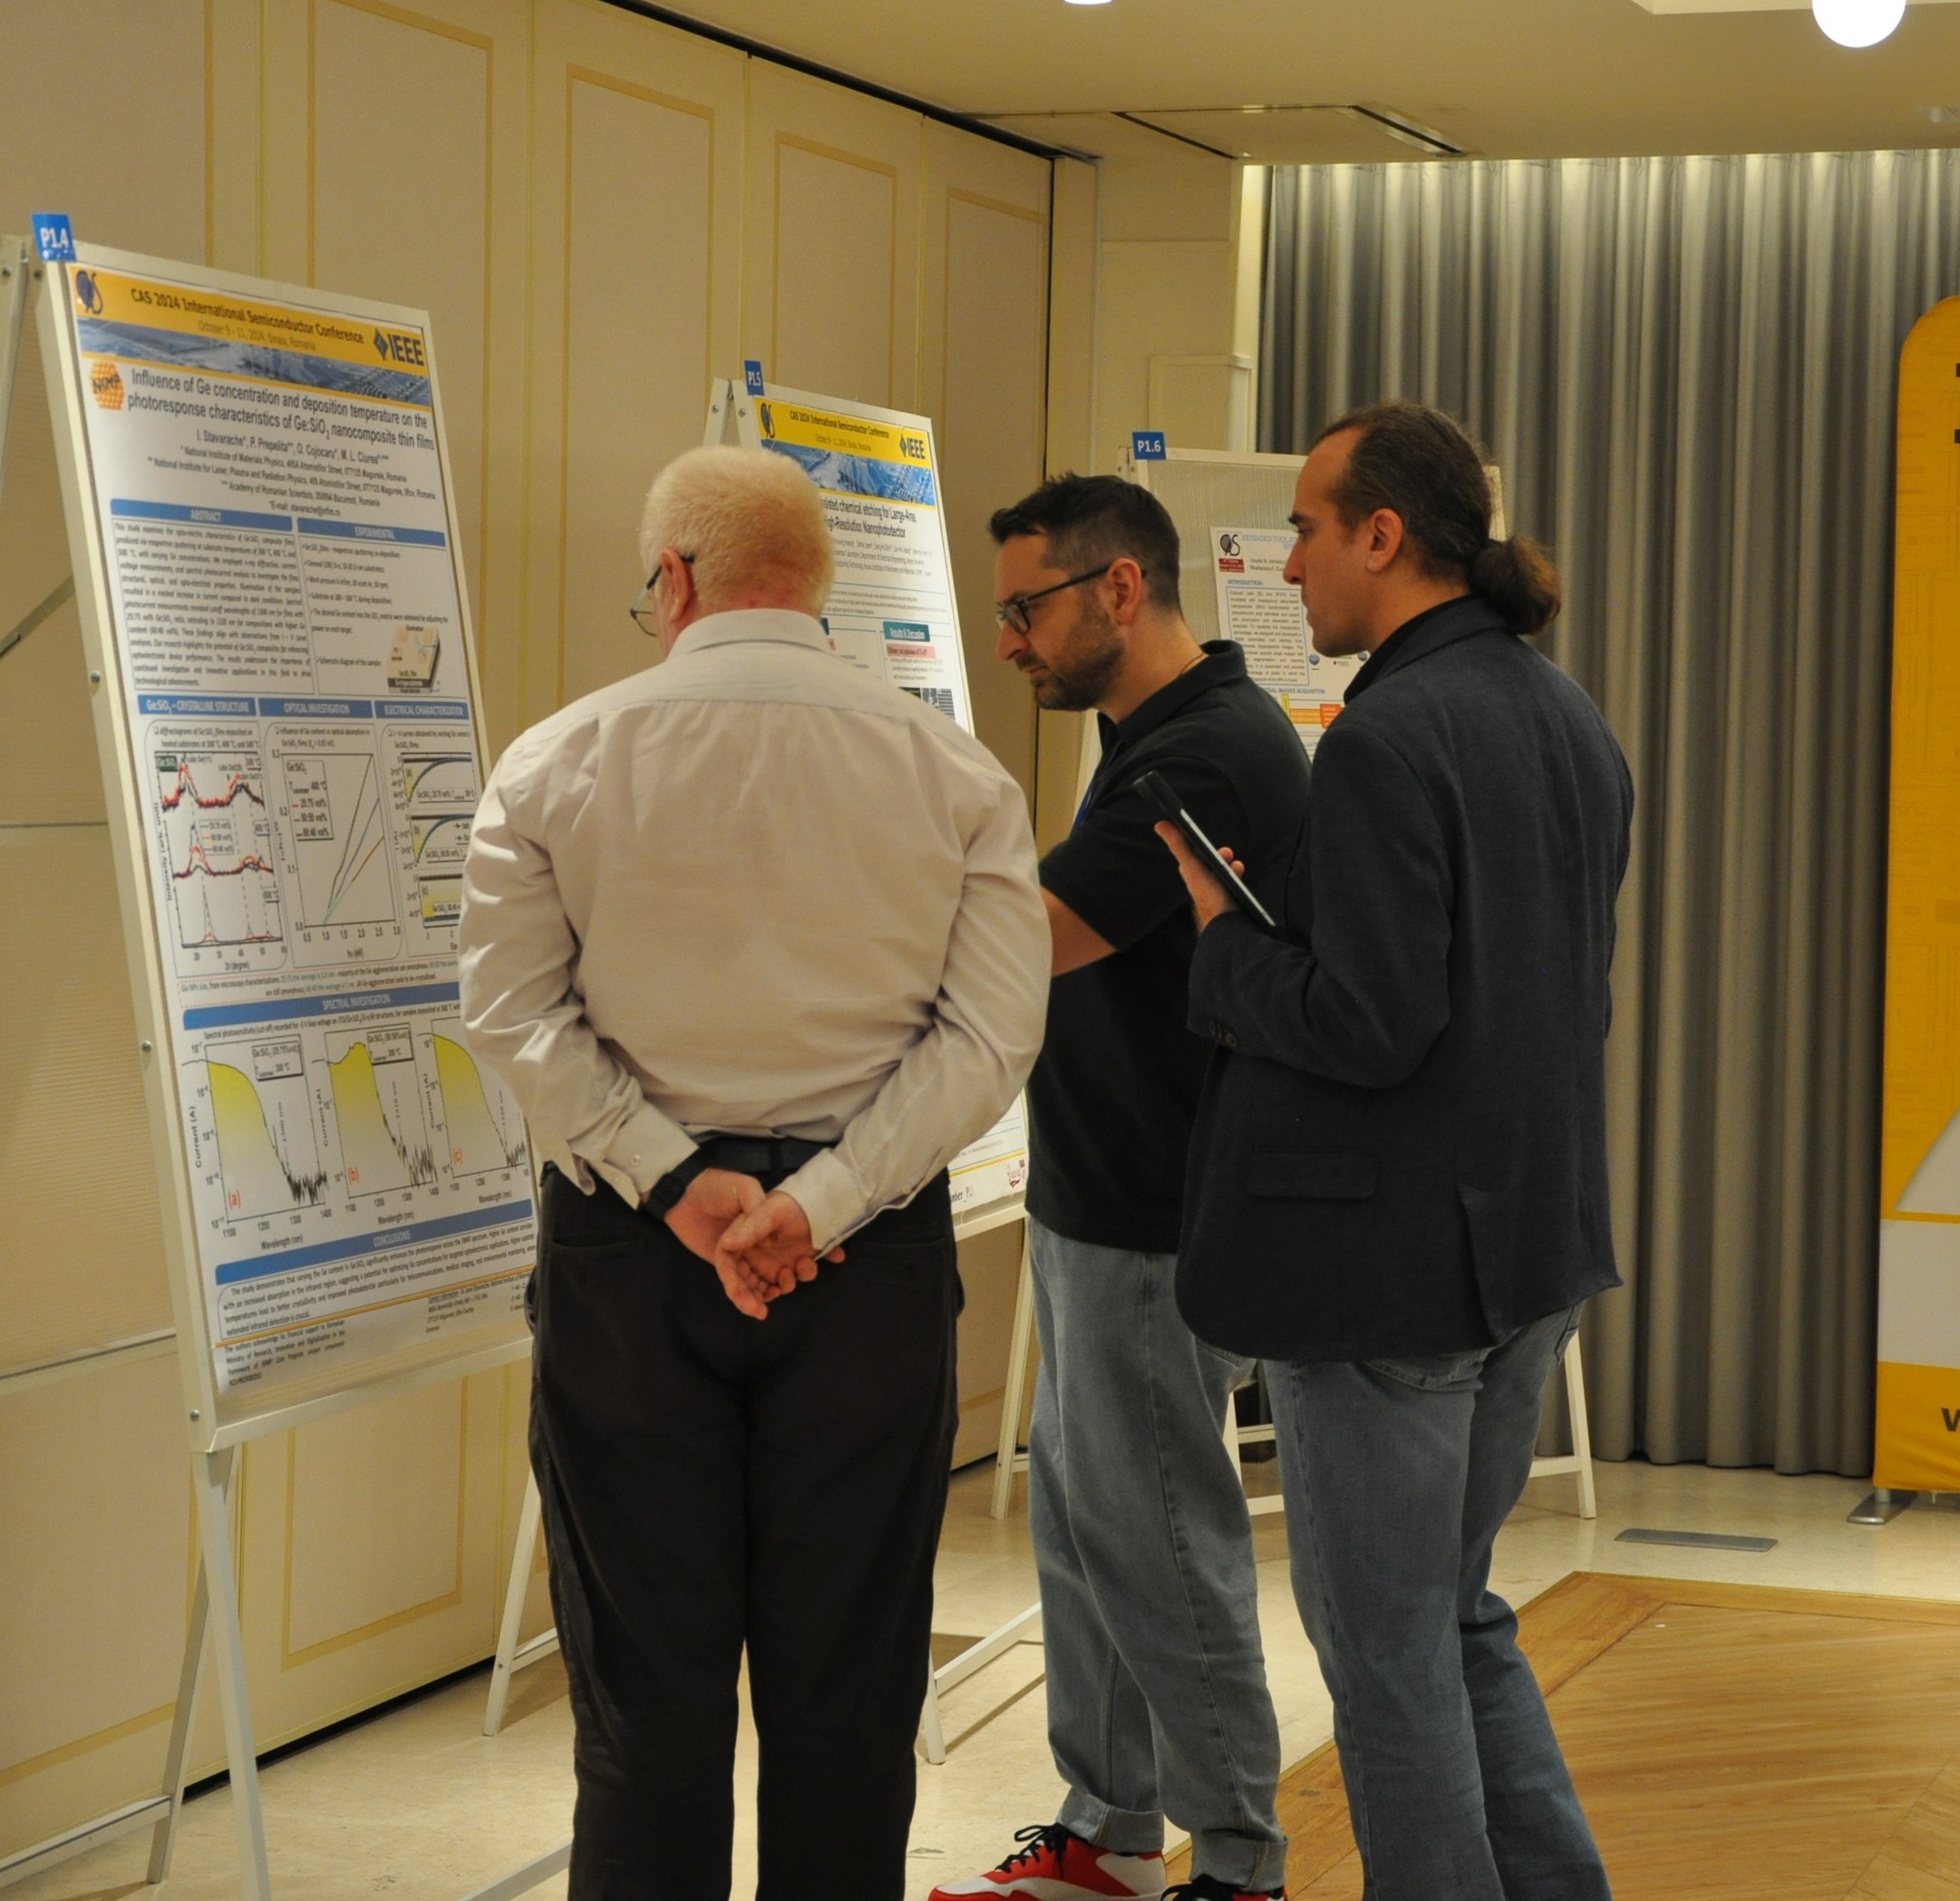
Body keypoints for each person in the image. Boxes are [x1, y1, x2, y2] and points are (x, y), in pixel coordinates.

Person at [458, 444, 1047, 1900]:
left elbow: (511, 1013)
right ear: (820, 582)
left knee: (643, 1693)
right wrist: (819, 1202)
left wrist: (676, 1186)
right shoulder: (955, 772)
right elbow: (991, 1035)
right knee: (848, 1687)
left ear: (672, 578)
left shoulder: (555, 761)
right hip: (867, 1264)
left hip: (626, 1261)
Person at [1157, 403, 1632, 1900]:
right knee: (1454, 1617)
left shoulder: (1386, 738)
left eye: (1306, 529)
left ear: (1384, 536)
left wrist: (1224, 942)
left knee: (1384, 1651)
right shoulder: (1567, 716)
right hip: (1527, 1250)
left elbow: (1369, 1022)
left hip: (1388, 1285)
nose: (1287, 563)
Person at [935, 475, 1307, 1901]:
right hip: (1097, 1199)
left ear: (1120, 589)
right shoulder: (1150, 735)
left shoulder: (1208, 749)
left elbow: (1037, 934)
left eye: (1026, 609)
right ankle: (1109, 1833)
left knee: (1158, 1540)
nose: (1008, 641)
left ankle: (1239, 1863)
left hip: (1160, 1210)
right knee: (1089, 1527)